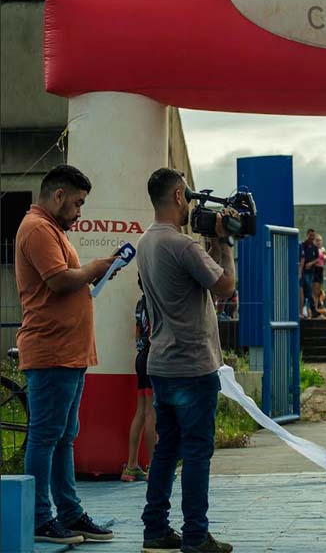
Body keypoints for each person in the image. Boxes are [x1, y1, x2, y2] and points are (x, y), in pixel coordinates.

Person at [14, 164, 117, 545]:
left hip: (67, 353)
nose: (79, 212)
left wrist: (95, 271)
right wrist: (94, 268)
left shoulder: (52, 229)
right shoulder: (39, 228)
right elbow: (58, 281)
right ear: (58, 196)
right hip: (51, 351)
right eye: (77, 204)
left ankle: (69, 512)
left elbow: (67, 280)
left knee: (62, 437)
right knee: (46, 437)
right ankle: (42, 517)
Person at [138, 168, 237, 553]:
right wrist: (224, 242)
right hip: (193, 365)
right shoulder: (182, 245)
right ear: (178, 195)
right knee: (197, 450)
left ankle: (155, 531)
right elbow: (225, 286)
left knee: (167, 448)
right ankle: (196, 536)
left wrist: (210, 244)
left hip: (161, 362)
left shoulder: (147, 242)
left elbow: (195, 279)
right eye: (190, 197)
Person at [121, 277, 157, 482]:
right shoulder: (156, 301)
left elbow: (137, 330)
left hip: (141, 357)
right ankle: (154, 466)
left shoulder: (140, 302)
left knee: (141, 411)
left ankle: (131, 466)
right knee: (152, 413)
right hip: (153, 358)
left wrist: (140, 346)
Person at [299, 228, 321, 318]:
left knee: (308, 290)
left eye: (313, 236)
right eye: (310, 235)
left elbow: (317, 259)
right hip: (303, 271)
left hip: (310, 272)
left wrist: (311, 263)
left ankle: (311, 310)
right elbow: (301, 256)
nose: (312, 237)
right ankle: (309, 310)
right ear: (307, 235)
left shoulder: (314, 248)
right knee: (304, 290)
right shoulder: (303, 245)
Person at [313, 234, 326, 305]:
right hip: (315, 269)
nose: (318, 242)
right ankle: (314, 306)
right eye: (317, 240)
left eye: (320, 240)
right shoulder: (313, 250)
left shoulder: (322, 249)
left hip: (320, 269)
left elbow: (324, 262)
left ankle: (317, 305)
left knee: (319, 290)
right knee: (315, 290)